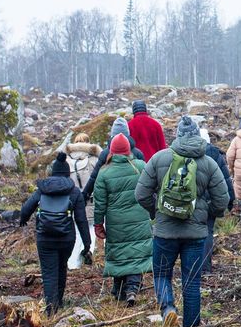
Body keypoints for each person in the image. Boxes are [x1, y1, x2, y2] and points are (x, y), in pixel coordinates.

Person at [135, 116, 230, 327]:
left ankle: (168, 308)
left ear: (177, 135)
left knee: (161, 275)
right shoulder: (208, 163)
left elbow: (141, 194)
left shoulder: (159, 158)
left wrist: (156, 212)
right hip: (195, 236)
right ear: (197, 136)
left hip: (165, 233)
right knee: (192, 283)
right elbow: (223, 199)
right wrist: (207, 215)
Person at [19, 153, 92, 315]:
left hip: (45, 238)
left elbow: (26, 209)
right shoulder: (74, 192)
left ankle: (51, 309)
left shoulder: (42, 189)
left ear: (52, 172)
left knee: (49, 271)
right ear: (68, 173)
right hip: (67, 238)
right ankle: (58, 301)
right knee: (61, 267)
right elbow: (81, 220)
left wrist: (23, 219)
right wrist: (87, 243)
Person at [91, 132, 154, 305]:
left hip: (115, 221)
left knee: (120, 253)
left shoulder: (104, 173)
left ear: (111, 151)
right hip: (139, 219)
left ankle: (119, 290)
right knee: (136, 252)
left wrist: (98, 224)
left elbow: (100, 203)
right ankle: (132, 288)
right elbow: (152, 189)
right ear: (128, 150)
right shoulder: (141, 166)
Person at [59, 135, 101, 268]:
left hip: (71, 202)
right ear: (88, 143)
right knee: (90, 230)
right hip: (90, 201)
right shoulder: (94, 160)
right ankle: (88, 255)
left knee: (76, 231)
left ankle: (73, 263)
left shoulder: (66, 161)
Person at [199, 128, 235, 273]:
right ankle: (206, 268)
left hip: (195, 201)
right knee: (207, 231)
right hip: (211, 202)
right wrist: (230, 199)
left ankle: (192, 267)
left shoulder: (188, 153)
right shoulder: (215, 154)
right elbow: (226, 178)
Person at [83, 118, 146, 201]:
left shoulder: (105, 153)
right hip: (134, 198)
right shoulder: (137, 153)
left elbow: (95, 177)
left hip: (112, 199)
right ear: (128, 134)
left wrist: (85, 193)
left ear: (112, 135)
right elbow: (145, 178)